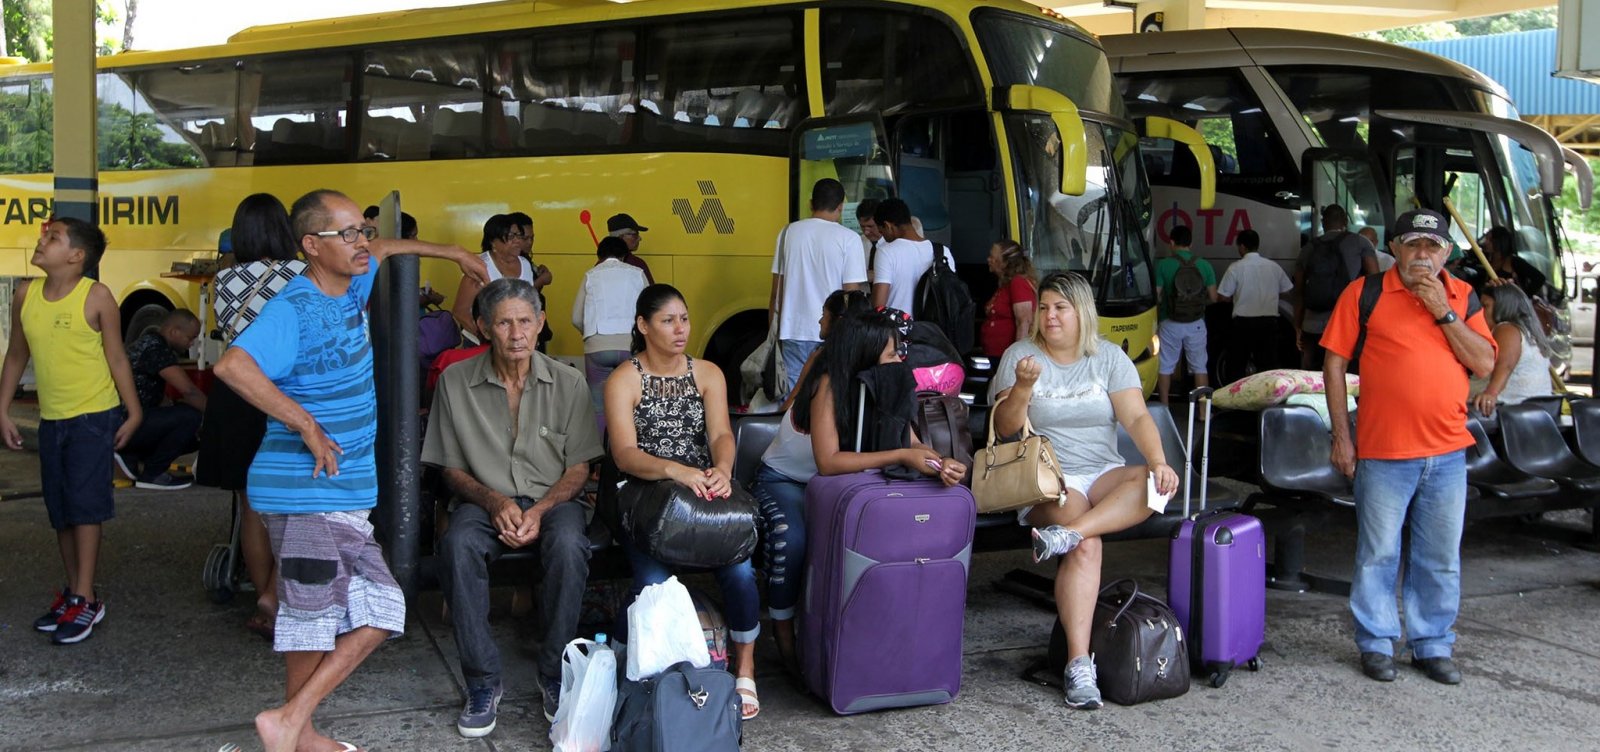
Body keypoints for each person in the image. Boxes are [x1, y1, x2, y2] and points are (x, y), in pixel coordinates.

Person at [214, 188, 487, 752]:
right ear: (312, 246)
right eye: (348, 234)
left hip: (341, 489)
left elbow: (387, 247)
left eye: (361, 229)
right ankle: (295, 729)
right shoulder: (295, 307)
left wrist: (454, 251)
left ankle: (294, 723)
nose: (362, 241)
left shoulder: (352, 281)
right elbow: (234, 366)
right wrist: (306, 425)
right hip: (308, 489)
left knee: (382, 611)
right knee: (312, 620)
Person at [1322, 208, 1495, 687]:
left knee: (1439, 556)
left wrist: (1443, 309)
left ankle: (1432, 644)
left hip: (1447, 454)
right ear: (1394, 248)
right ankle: (1376, 642)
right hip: (1382, 451)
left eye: (1433, 247)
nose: (1423, 255)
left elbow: (1482, 362)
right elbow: (1333, 365)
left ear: (1447, 253)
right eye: (1413, 245)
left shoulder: (1462, 295)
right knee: (1377, 554)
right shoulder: (1365, 293)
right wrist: (1342, 436)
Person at [424, 278, 604, 737]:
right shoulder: (455, 381)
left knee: (569, 546)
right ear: (484, 327)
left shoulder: (568, 382)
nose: (517, 333)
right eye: (504, 322)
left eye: (526, 321)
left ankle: (553, 671)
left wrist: (540, 510)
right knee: (458, 545)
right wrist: (495, 500)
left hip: (553, 499)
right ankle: (483, 682)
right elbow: (450, 468)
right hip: (485, 499)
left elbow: (579, 467)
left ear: (541, 323)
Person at [988, 272, 1176, 709]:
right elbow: (1003, 428)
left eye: (1060, 308)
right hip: (1047, 477)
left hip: (1102, 472)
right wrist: (1023, 387)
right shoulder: (1021, 354)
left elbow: (1136, 418)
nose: (1049, 316)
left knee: (1154, 486)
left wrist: (1159, 462)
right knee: (1087, 548)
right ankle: (1078, 665)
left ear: (1082, 312)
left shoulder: (1108, 357)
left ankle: (1069, 533)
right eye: (1045, 307)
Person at [758, 310, 967, 670]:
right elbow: (829, 461)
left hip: (842, 490)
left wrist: (940, 465)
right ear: (865, 354)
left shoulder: (887, 385)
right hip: (786, 481)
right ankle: (784, 636)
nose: (899, 360)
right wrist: (902, 454)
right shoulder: (829, 385)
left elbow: (914, 443)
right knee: (791, 541)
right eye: (890, 354)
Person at [603, 284, 761, 720]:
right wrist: (676, 470)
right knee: (653, 588)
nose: (680, 329)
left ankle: (745, 667)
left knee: (741, 570)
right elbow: (625, 455)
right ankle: (620, 661)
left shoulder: (708, 373)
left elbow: (720, 436)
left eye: (684, 319)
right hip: (644, 496)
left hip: (703, 492)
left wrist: (722, 470)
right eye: (667, 320)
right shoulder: (624, 379)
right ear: (642, 326)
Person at [0, 217, 141, 645]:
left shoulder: (96, 297)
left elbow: (117, 358)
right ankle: (76, 592)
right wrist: (2, 409)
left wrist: (133, 412)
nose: (41, 241)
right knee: (61, 510)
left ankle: (85, 598)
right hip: (52, 419)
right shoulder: (25, 294)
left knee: (86, 508)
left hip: (92, 418)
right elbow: (15, 355)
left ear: (76, 257)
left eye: (53, 238)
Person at [198, 193, 308, 640]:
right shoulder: (304, 275)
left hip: (237, 393)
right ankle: (280, 595)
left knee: (252, 504)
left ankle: (262, 594)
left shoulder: (222, 279)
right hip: (286, 394)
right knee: (295, 504)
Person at [770, 178, 868, 395]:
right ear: (841, 207)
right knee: (827, 396)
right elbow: (850, 297)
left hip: (792, 330)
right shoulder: (850, 239)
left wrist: (774, 333)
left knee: (792, 399)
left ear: (810, 203)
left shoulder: (787, 233)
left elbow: (776, 292)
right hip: (831, 333)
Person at [118, 308, 205, 489]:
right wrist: (218, 418)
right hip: (127, 423)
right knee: (191, 418)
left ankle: (132, 458)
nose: (192, 344)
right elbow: (189, 391)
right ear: (174, 332)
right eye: (190, 338)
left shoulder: (146, 343)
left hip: (123, 421)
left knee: (188, 432)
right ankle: (153, 473)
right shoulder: (156, 349)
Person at [572, 236, 649, 431]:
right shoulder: (637, 273)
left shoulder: (591, 275)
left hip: (597, 347)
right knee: (633, 403)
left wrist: (590, 335)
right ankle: (629, 451)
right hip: (630, 347)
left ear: (599, 255)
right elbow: (650, 311)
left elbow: (575, 317)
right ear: (624, 255)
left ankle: (599, 457)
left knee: (599, 407)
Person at [1296, 205, 1378, 370]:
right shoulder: (1360, 243)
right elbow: (1375, 282)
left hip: (1312, 323)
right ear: (1346, 221)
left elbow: (1299, 292)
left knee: (1311, 373)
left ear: (1323, 222)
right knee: (1346, 374)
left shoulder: (1308, 248)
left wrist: (1298, 328)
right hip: (1348, 323)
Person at [1216, 229, 1293, 381]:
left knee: (1236, 366)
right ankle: (1266, 402)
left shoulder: (1235, 268)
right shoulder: (1273, 267)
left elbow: (1223, 297)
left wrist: (1237, 297)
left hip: (1243, 325)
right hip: (1268, 324)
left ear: (1242, 247)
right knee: (1267, 368)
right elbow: (1287, 291)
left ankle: (1237, 401)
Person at [779, 288, 872, 413]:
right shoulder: (870, 358)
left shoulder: (821, 358)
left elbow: (792, 403)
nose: (820, 321)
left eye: (824, 315)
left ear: (837, 321)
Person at [1154, 225, 1218, 404]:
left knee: (1166, 365)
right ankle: (1203, 411)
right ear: (1190, 243)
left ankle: (1165, 408)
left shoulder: (1164, 264)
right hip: (1196, 322)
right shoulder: (1204, 265)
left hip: (1170, 322)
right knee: (1199, 367)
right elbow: (1213, 297)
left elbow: (1157, 295)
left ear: (1172, 242)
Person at [1471, 283, 1553, 416]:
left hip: (1510, 411)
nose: (1480, 312)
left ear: (1502, 307)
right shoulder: (1529, 332)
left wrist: (1491, 393)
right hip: (1537, 411)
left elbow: (1505, 365)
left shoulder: (1506, 329)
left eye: (1485, 306)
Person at [452, 214, 537, 335]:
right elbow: (460, 312)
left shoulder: (525, 264)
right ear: (493, 241)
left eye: (519, 235)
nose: (517, 241)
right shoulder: (479, 266)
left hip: (516, 340)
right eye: (511, 236)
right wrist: (487, 338)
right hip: (482, 343)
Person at [871, 198, 953, 313]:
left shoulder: (885, 252)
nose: (882, 237)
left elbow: (878, 306)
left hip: (897, 329)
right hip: (933, 329)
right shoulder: (943, 252)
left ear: (888, 225)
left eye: (881, 232)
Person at [981, 239, 1038, 358]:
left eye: (992, 257)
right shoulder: (1005, 285)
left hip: (1007, 356)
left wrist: (1018, 357)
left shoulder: (1018, 283)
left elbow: (1024, 322)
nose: (988, 259)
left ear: (1005, 263)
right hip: (997, 354)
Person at [1479, 226, 1547, 296]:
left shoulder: (1514, 261)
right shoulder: (1486, 258)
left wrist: (1524, 296)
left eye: (1490, 240)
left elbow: (1539, 278)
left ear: (1500, 242)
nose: (1485, 242)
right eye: (1486, 238)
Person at [607, 213, 655, 284]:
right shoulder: (637, 264)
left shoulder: (600, 265)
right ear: (620, 237)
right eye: (635, 235)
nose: (639, 238)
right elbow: (651, 293)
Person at [855, 198, 882, 283]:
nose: (866, 232)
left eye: (870, 226)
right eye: (862, 226)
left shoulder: (893, 244)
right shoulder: (856, 243)